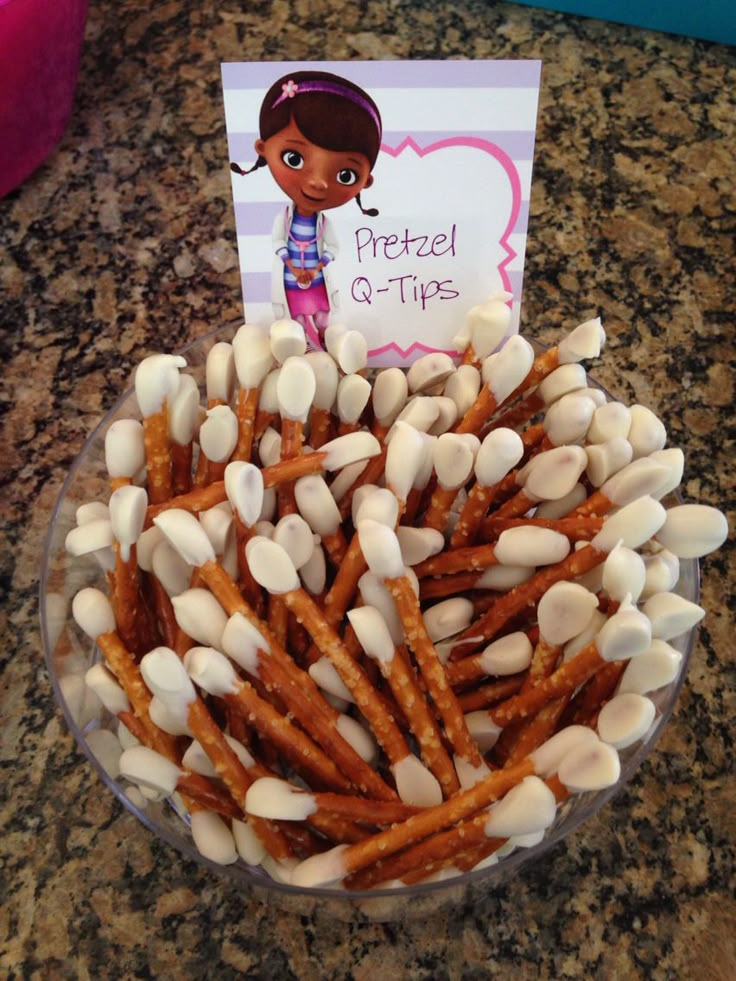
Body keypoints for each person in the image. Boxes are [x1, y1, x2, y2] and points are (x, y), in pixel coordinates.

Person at [231, 70, 381, 348]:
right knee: (295, 323)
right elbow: (278, 241)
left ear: (366, 182)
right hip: (291, 278)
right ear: (263, 149)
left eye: (345, 175)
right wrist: (291, 265)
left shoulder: (325, 225)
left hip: (317, 279)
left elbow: (332, 248)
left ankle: (323, 345)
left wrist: (316, 269)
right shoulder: (283, 219)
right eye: (294, 158)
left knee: (324, 318)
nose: (317, 183)